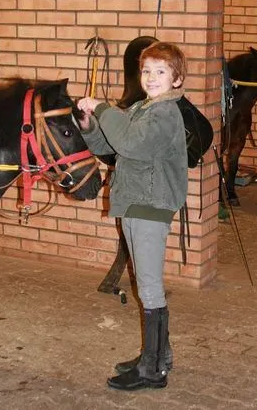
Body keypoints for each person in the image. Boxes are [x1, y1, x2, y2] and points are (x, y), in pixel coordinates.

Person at [77, 41, 188, 390]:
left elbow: (132, 145)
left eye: (160, 71)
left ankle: (152, 372)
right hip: (136, 203)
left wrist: (103, 107)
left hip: (149, 206)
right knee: (146, 283)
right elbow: (113, 149)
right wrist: (90, 126)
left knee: (150, 288)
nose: (151, 77)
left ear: (177, 79)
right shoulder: (144, 108)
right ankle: (157, 357)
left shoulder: (165, 113)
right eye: (146, 70)